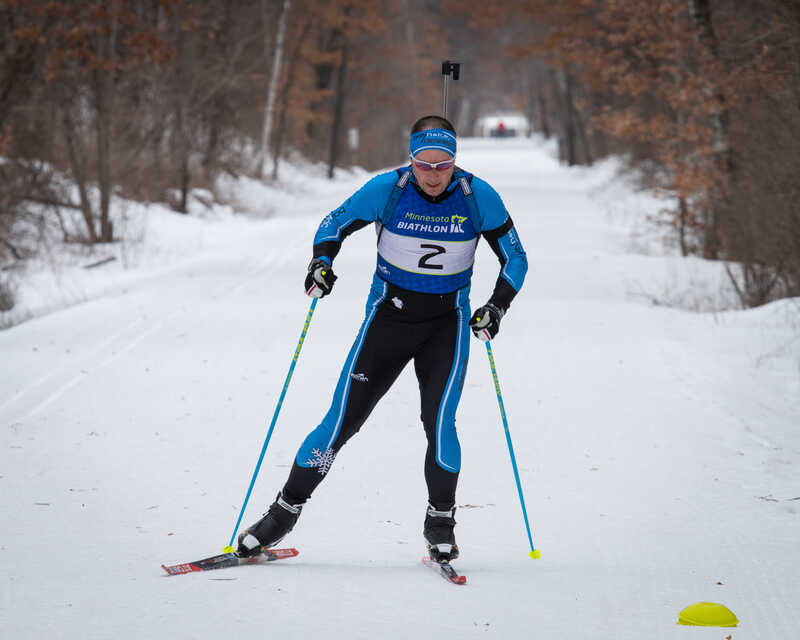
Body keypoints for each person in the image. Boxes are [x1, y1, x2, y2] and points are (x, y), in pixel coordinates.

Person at [237, 115, 527, 563]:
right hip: (387, 322)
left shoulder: (477, 196)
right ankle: (283, 512)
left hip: (445, 327)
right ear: (410, 160)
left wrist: (496, 306)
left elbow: (516, 258)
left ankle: (441, 520)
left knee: (440, 422)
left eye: (442, 164)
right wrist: (321, 263)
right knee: (340, 423)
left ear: (455, 161)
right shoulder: (387, 190)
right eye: (423, 163)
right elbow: (333, 224)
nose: (432, 174)